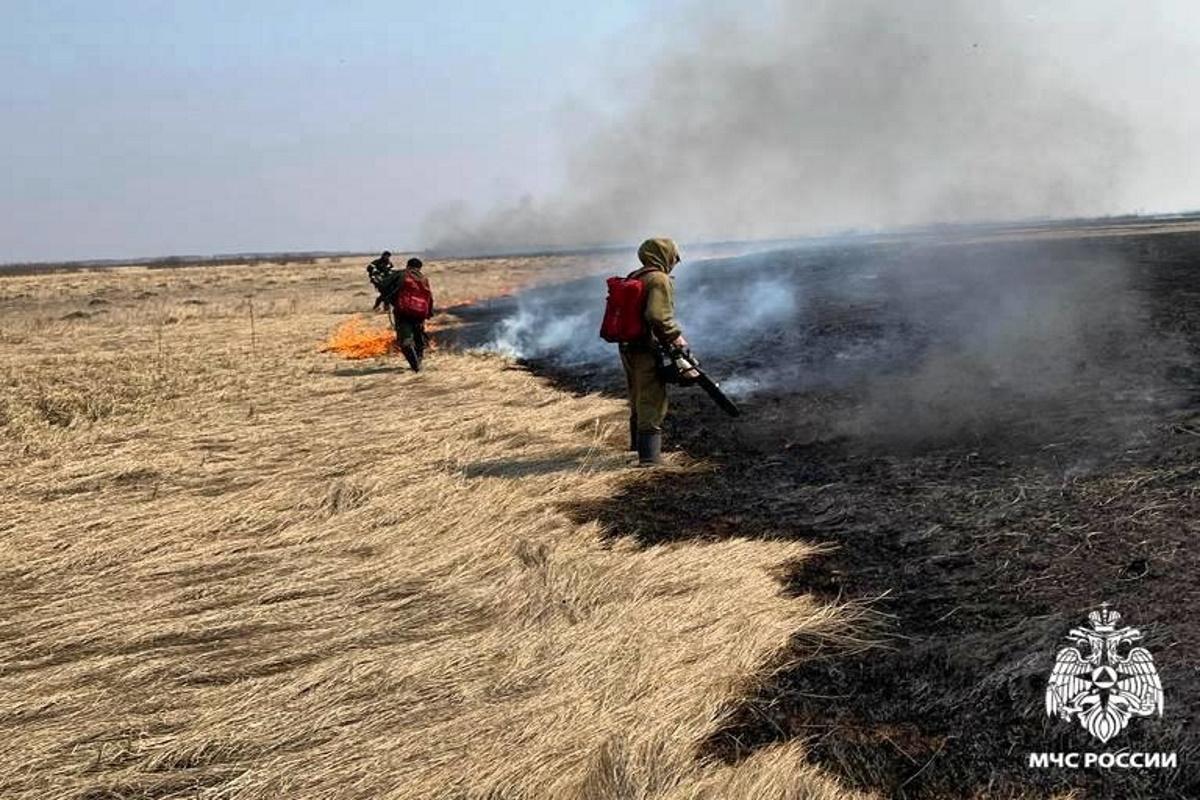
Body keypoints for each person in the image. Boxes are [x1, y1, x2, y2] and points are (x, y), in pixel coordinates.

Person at [619, 238, 697, 466]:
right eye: (673, 257)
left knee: (637, 395)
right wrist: (675, 336)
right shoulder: (659, 279)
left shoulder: (635, 275)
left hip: (628, 346)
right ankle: (649, 460)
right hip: (646, 348)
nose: (674, 262)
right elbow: (657, 316)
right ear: (665, 256)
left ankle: (636, 449)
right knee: (652, 399)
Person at [391, 257, 434, 372]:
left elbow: (388, 288)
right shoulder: (423, 278)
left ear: (408, 266)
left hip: (403, 312)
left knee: (405, 341)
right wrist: (429, 312)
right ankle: (418, 361)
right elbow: (429, 296)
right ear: (419, 267)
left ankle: (415, 366)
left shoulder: (401, 275)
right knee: (419, 337)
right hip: (420, 312)